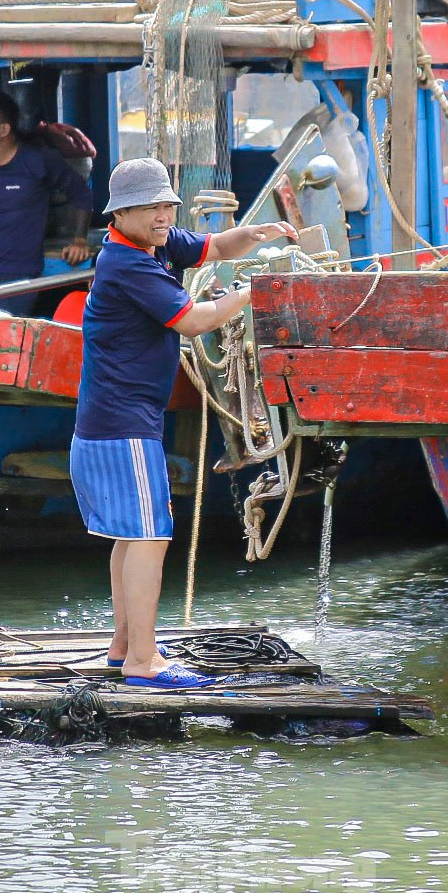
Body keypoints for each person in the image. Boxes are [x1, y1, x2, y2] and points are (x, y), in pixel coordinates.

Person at [71, 157, 296, 688]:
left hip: (111, 421)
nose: (162, 213)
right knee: (150, 534)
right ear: (120, 214)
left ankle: (125, 645)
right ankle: (143, 662)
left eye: (166, 204)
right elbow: (195, 322)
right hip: (121, 423)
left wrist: (257, 234)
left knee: (129, 535)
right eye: (150, 206)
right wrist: (257, 291)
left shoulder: (153, 242)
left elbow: (216, 248)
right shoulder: (128, 264)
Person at [0, 91, 92, 315]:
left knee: (3, 336)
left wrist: (80, 239)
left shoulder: (39, 159)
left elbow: (82, 194)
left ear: (4, 129)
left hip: (19, 271)